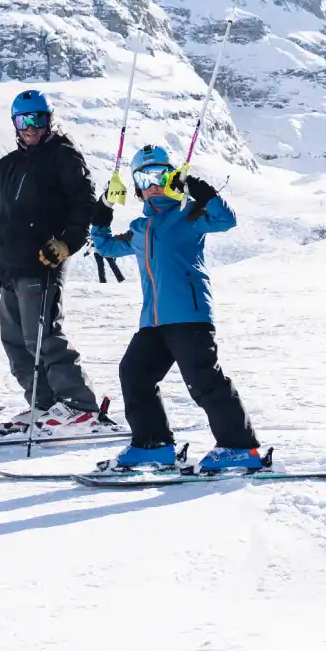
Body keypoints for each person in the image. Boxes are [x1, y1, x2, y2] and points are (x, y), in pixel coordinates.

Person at [90, 145, 261, 473]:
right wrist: (105, 205)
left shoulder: (189, 214)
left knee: (203, 381)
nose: (152, 184)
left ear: (170, 176)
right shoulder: (140, 229)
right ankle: (152, 445)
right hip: (153, 322)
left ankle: (240, 448)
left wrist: (195, 186)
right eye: (144, 177)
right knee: (134, 373)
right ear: (137, 186)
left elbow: (226, 220)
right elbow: (103, 244)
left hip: (189, 316)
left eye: (159, 174)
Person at [0, 88, 106, 435]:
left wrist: (67, 244)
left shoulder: (64, 156)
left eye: (38, 120)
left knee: (44, 336)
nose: (31, 128)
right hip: (11, 265)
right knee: (15, 341)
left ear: (49, 120)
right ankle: (44, 405)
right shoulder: (14, 162)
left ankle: (79, 405)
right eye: (24, 121)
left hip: (42, 261)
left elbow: (84, 204)